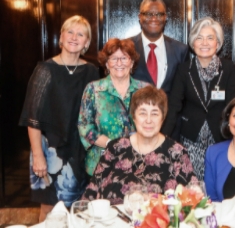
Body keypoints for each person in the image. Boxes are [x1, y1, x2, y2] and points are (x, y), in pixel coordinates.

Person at [19, 15, 99, 221]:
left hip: (80, 150)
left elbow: (96, 112)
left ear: (86, 43)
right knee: (49, 208)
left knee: (80, 208)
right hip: (49, 151)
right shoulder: (45, 70)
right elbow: (33, 118)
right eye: (69, 32)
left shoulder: (91, 71)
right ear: (61, 38)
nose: (74, 37)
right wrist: (38, 156)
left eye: (80, 34)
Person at [81, 86, 197, 204]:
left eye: (154, 114)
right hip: (112, 221)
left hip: (158, 221)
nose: (148, 120)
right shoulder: (115, 148)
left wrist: (155, 199)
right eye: (142, 113)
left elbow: (192, 200)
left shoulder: (177, 153)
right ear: (134, 117)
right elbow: (90, 193)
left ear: (163, 118)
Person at [161, 17, 235, 180]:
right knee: (192, 185)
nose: (204, 43)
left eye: (210, 38)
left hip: (221, 138)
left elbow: (233, 106)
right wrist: (162, 139)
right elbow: (174, 106)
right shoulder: (183, 69)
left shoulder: (228, 68)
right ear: (193, 43)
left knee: (219, 183)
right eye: (199, 38)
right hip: (190, 139)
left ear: (218, 43)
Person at [78, 38, 148, 177]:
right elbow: (85, 127)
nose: (119, 63)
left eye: (124, 58)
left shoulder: (145, 90)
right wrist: (111, 144)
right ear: (106, 64)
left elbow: (154, 123)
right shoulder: (93, 89)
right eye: (114, 58)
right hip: (102, 165)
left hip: (138, 164)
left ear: (132, 62)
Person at [128, 0, 189, 96]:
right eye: (148, 14)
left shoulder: (180, 50)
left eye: (159, 14)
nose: (153, 18)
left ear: (165, 17)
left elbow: (184, 89)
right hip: (134, 110)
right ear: (140, 17)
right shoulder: (126, 47)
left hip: (170, 111)